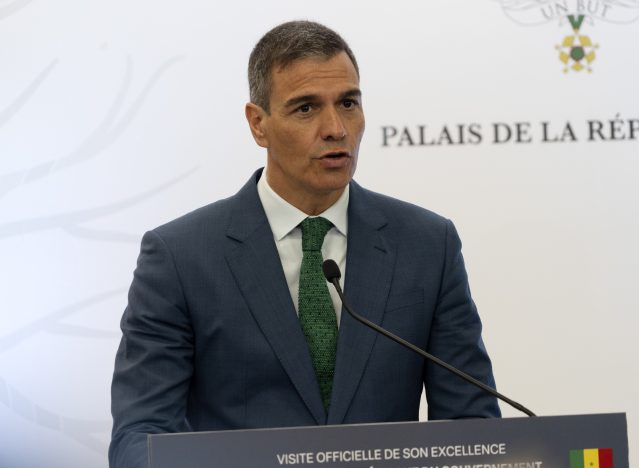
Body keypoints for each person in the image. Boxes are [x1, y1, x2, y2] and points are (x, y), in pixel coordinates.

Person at [109, 20, 500, 468]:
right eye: (306, 108)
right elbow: (141, 437)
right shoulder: (180, 257)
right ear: (258, 124)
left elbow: (473, 427)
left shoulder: (427, 245)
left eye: (348, 103)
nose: (336, 128)